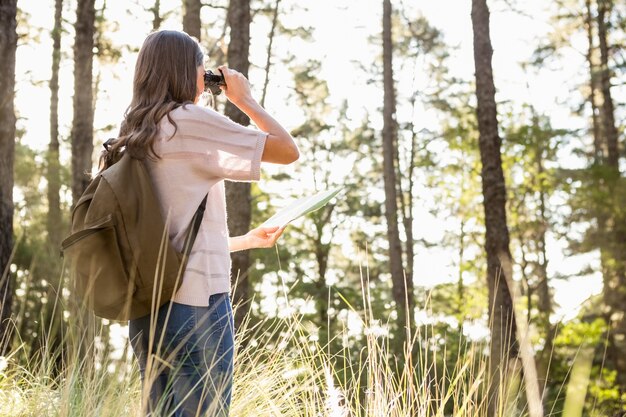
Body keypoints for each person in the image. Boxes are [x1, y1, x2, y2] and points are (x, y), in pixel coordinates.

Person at [100, 30, 299, 417]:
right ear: (186, 71)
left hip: (147, 310)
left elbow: (165, 239)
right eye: (201, 65)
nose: (205, 73)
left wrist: (245, 240)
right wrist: (245, 100)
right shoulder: (189, 121)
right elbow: (287, 150)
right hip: (197, 308)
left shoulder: (134, 134)